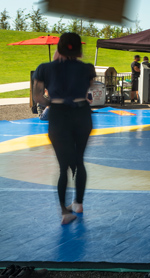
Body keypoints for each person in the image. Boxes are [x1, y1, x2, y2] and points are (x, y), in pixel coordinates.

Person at [31, 32, 95, 225]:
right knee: (79, 161)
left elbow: (37, 96)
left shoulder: (44, 69)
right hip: (81, 114)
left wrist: (54, 102)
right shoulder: (87, 69)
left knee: (63, 167)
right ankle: (79, 203)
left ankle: (64, 212)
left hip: (59, 116)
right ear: (79, 50)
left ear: (59, 48)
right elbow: (87, 90)